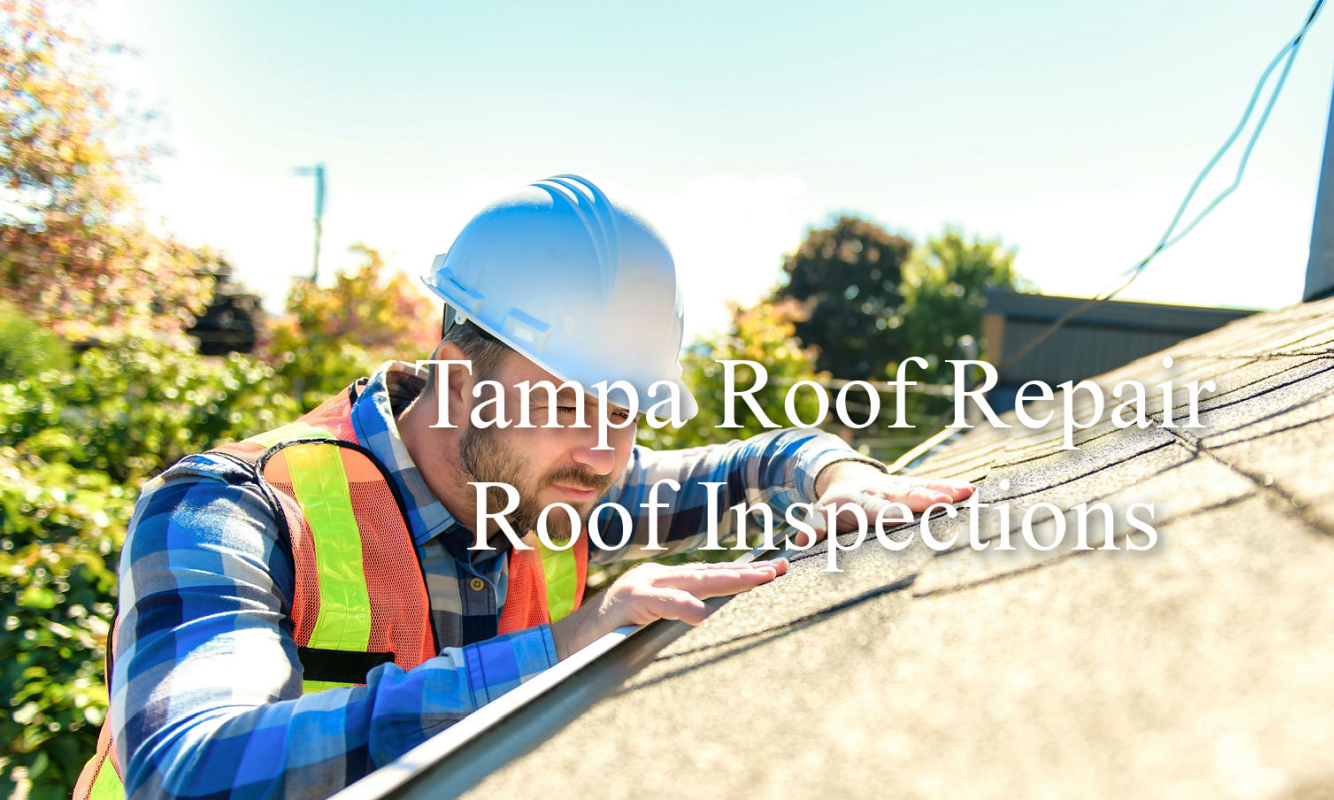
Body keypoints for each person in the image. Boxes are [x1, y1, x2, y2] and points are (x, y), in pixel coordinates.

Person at [75, 176, 973, 800]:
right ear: (454, 370)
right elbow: (186, 772)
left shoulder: (561, 486)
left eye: (630, 408)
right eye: (570, 400)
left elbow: (752, 461)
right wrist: (563, 648)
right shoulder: (229, 510)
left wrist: (838, 475)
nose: (604, 449)